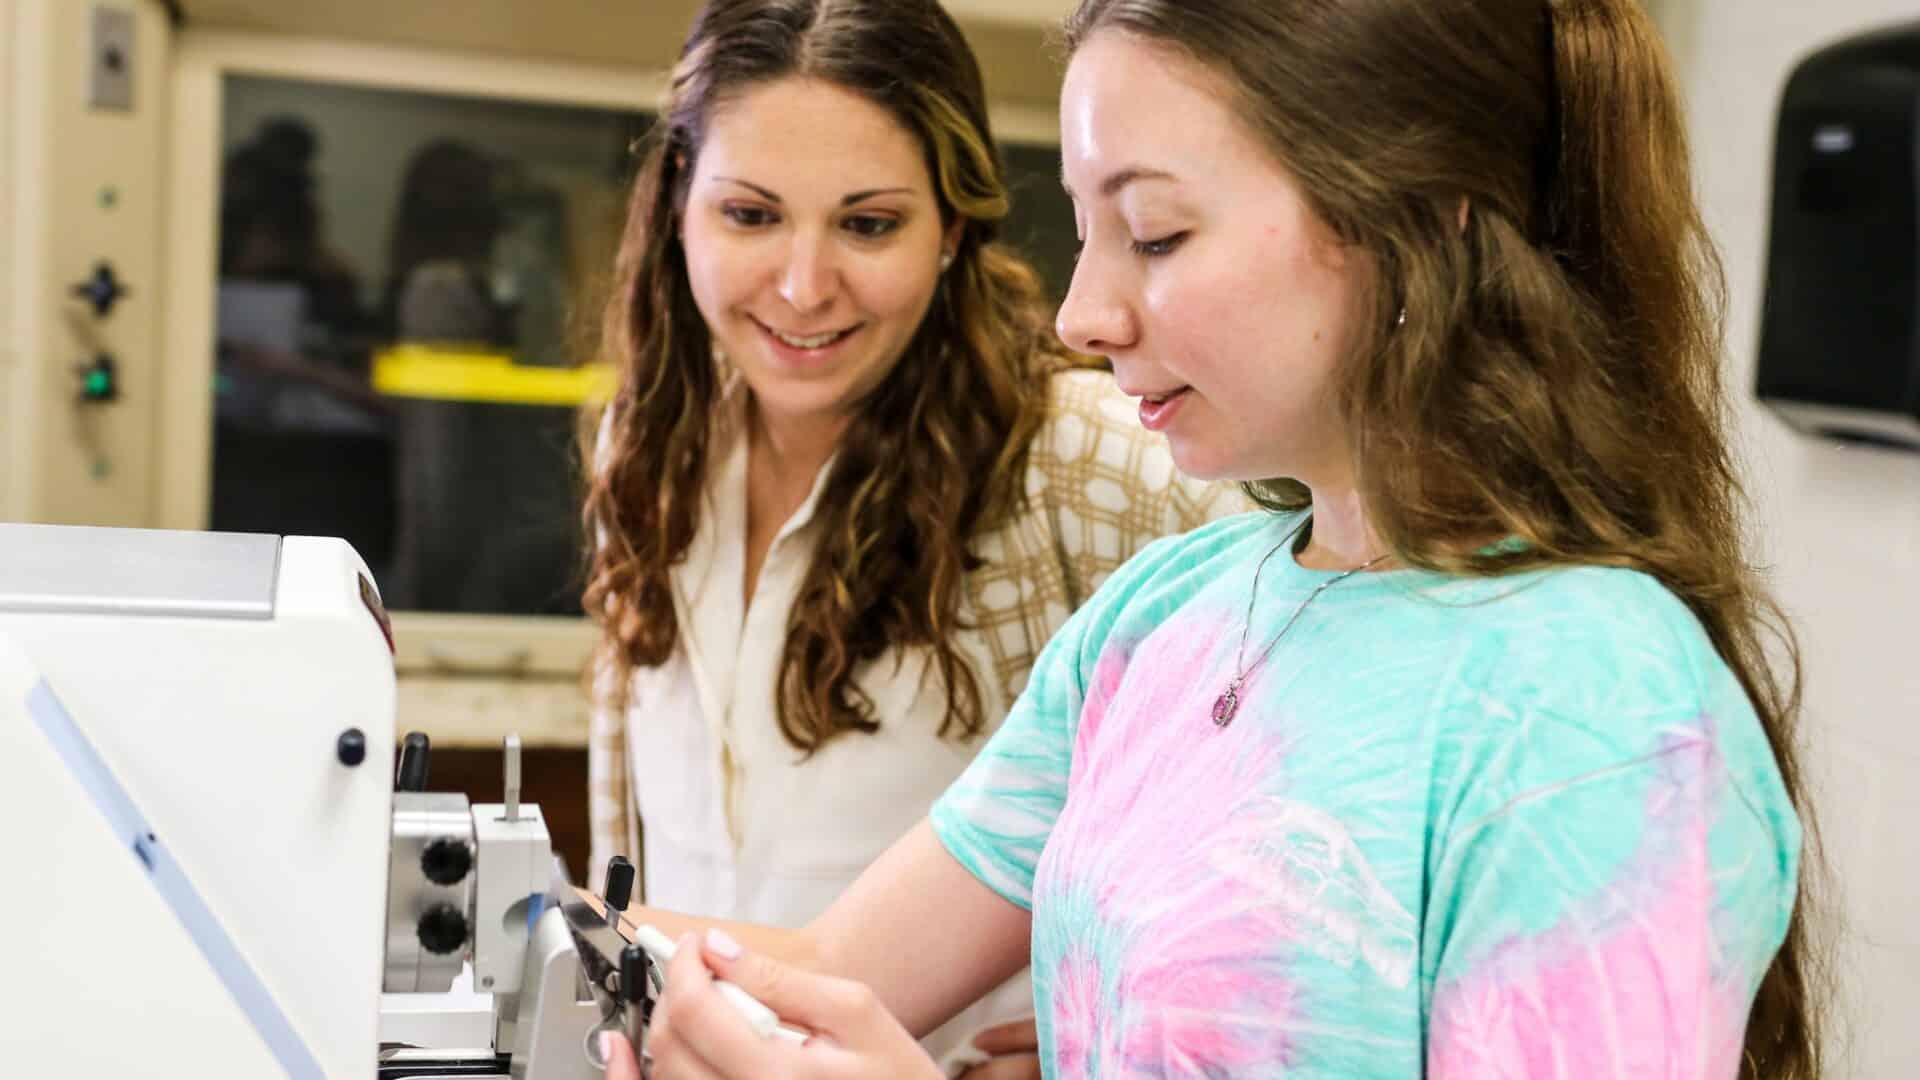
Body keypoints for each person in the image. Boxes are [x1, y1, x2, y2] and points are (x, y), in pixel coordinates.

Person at [599, 0, 1827, 1076]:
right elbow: (822, 975)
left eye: (1159, 234)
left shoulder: (1598, 720)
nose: (1084, 314)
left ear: (1423, 215)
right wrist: (514, 922)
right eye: (1086, 232)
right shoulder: (1160, 617)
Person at [576, 0, 1247, 1070]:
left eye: (868, 223)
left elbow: (1319, 725)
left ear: (953, 231)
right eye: (750, 215)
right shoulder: (645, 447)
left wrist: (1112, 1027)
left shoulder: (1086, 455)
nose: (803, 285)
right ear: (676, 210)